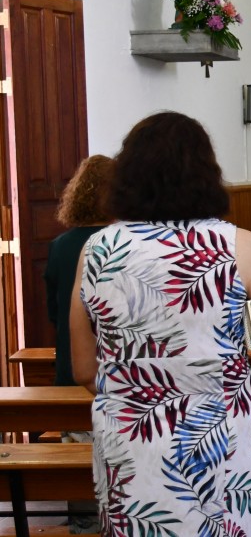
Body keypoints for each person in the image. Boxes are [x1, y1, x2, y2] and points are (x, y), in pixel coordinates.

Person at [70, 112, 251, 535]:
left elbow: (85, 370)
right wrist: (242, 404)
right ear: (206, 173)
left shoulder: (97, 249)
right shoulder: (238, 244)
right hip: (219, 437)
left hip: (128, 436)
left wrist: (135, 399)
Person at [44, 155, 113, 535]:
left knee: (78, 454)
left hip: (72, 368)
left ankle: (83, 520)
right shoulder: (123, 244)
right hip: (117, 374)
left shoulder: (60, 245)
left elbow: (55, 313)